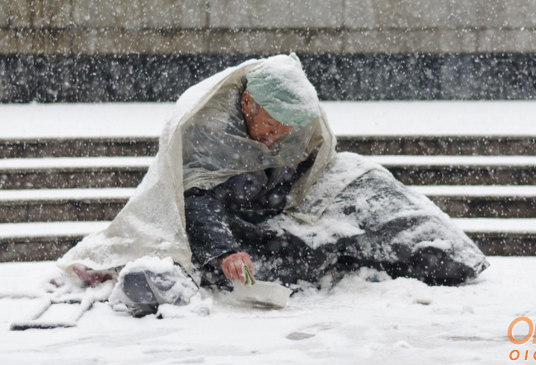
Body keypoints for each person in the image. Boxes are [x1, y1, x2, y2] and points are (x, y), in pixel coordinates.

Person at [58, 54, 489, 317]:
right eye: (271, 123)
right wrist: (224, 251)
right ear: (248, 102)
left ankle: (445, 257)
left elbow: (318, 168)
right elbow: (197, 197)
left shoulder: (297, 127)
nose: (276, 137)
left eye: (287, 128)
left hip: (284, 208)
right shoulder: (206, 128)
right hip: (225, 226)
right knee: (275, 263)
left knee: (366, 181)